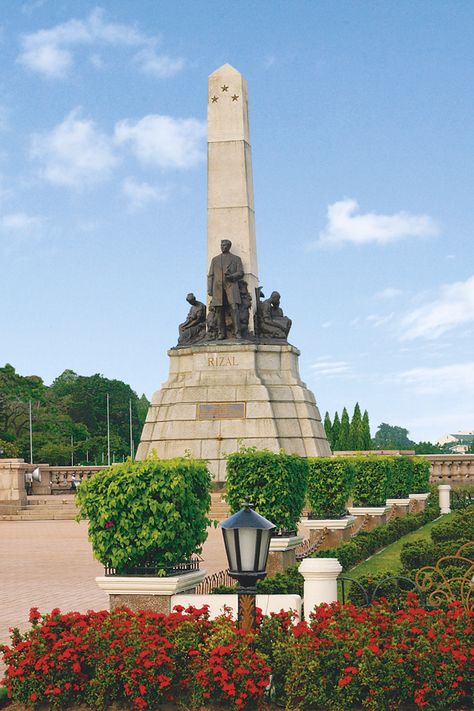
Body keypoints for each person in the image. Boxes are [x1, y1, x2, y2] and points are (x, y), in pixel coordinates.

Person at [207, 239, 244, 339]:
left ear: (229, 246)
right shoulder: (215, 260)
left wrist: (232, 276)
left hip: (231, 285)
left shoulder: (236, 259)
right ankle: (221, 333)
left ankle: (237, 332)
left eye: (225, 245)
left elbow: (241, 272)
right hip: (218, 287)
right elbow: (210, 275)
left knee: (234, 308)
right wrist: (209, 289)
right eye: (221, 245)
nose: (223, 247)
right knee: (219, 310)